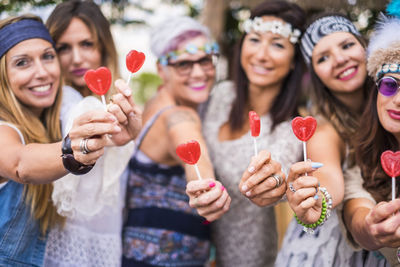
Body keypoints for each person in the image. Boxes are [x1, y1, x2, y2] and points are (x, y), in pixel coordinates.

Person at [186, 1, 305, 266]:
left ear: (295, 60)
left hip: (251, 257)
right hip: (195, 249)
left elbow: (281, 175)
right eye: (254, 40)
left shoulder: (293, 128)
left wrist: (276, 183)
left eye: (277, 44)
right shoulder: (220, 95)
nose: (261, 55)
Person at [0, 14, 121, 266]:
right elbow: (21, 164)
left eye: (47, 56)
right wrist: (74, 148)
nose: (42, 72)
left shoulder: (50, 125)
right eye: (23, 63)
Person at [275, 13, 388, 266]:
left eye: (347, 45)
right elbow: (327, 179)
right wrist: (316, 200)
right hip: (330, 254)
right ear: (315, 73)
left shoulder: (392, 101)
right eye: (323, 58)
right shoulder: (324, 129)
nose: (339, 59)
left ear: (365, 47)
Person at [120, 16, 230, 267]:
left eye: (205, 60)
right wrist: (208, 189)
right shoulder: (179, 116)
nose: (199, 72)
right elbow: (195, 159)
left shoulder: (153, 104)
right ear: (162, 70)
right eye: (183, 64)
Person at [44, 1, 141, 266]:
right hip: (56, 244)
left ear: (103, 46)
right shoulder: (59, 104)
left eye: (86, 44)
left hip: (106, 242)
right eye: (63, 47)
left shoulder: (124, 107)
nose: (76, 58)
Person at [343, 2, 400, 265]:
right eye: (390, 85)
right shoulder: (361, 156)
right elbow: (358, 216)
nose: (398, 100)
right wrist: (372, 228)